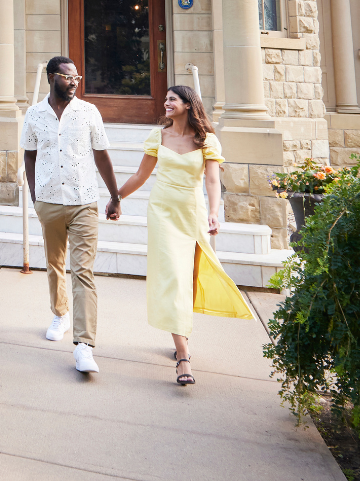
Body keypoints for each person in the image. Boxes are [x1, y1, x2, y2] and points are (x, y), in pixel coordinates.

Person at [106, 85, 253, 385]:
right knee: (173, 276)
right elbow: (140, 176)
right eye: (166, 99)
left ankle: (180, 337)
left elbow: (212, 180)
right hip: (161, 212)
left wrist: (214, 211)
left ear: (188, 104)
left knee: (187, 278)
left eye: (172, 99)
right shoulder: (158, 137)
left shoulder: (206, 141)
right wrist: (116, 197)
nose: (166, 103)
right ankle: (183, 357)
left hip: (192, 213)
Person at [21, 55, 120, 374]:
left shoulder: (89, 112)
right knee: (54, 264)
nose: (75, 81)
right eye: (68, 77)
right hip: (49, 201)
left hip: (83, 201)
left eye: (77, 77)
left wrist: (115, 195)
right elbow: (30, 155)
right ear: (52, 77)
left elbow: (102, 156)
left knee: (83, 272)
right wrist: (36, 197)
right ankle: (60, 313)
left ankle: (84, 346)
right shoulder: (35, 114)